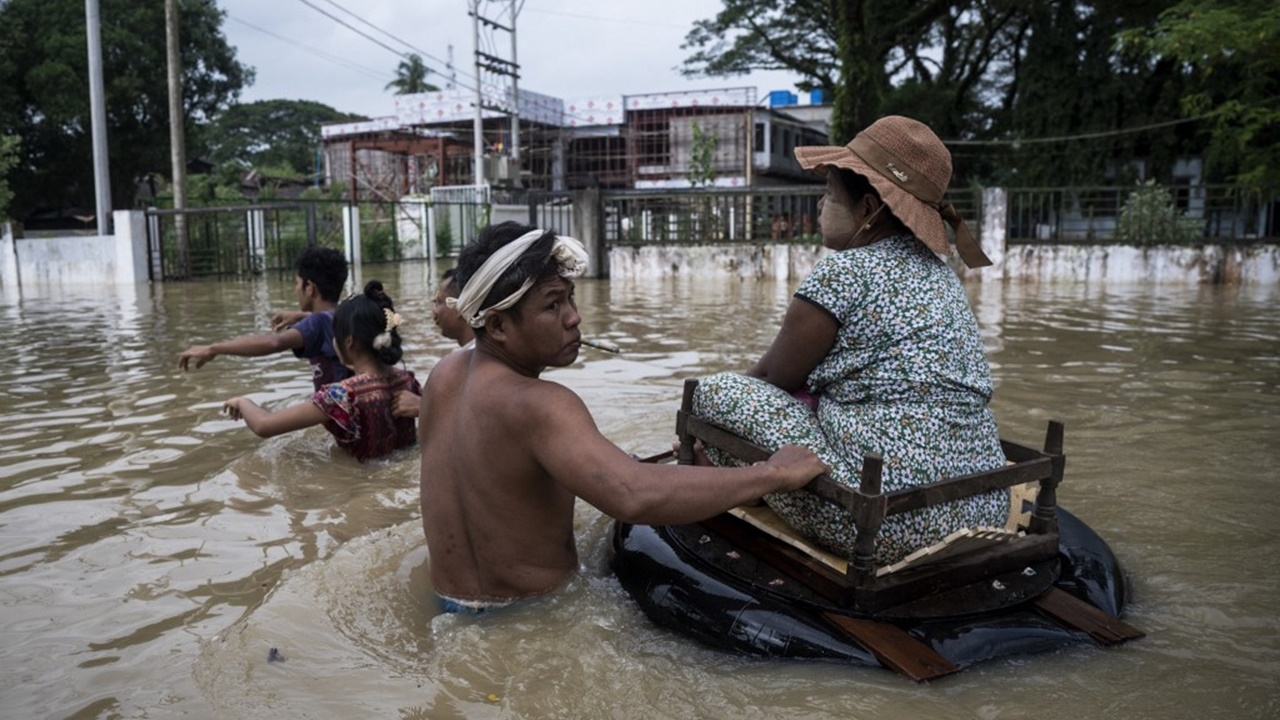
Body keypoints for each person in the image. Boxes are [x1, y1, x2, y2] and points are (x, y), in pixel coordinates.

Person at [417, 221, 827, 612]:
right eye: (552, 304)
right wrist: (772, 474)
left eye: (570, 297)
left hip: (448, 604)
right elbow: (633, 495)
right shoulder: (541, 404)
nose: (574, 316)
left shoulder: (441, 377)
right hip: (537, 618)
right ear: (498, 325)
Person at [690, 115, 1006, 566]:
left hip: (885, 523)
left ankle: (747, 484)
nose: (820, 208)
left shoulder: (844, 271)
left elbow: (769, 378)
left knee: (716, 392)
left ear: (869, 209)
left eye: (828, 195)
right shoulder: (943, 274)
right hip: (982, 505)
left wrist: (709, 430)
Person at [222, 280, 421, 462]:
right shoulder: (408, 381)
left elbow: (264, 425)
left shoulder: (342, 395)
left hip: (358, 485)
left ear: (349, 343)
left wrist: (243, 402)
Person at [178, 246, 351, 391]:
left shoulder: (316, 323)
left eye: (297, 283)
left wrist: (213, 348)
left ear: (310, 288)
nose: (295, 289)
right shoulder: (345, 314)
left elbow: (273, 343)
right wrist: (301, 316)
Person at [391, 268, 474, 418]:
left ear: (461, 307)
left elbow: (482, 418)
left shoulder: (477, 360)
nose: (434, 311)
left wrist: (423, 406)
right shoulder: (468, 356)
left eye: (439, 302)